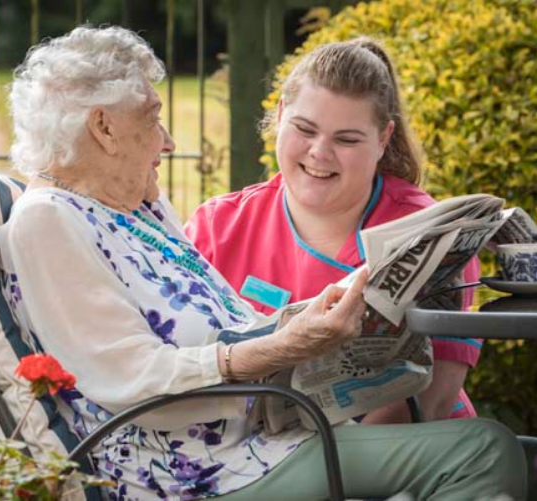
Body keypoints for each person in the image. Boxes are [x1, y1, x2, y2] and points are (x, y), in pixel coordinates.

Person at [0, 26, 525, 500]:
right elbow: (135, 377)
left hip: (259, 437)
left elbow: (223, 330)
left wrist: (300, 327)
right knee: (487, 451)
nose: (169, 140)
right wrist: (285, 344)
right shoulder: (50, 219)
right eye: (153, 118)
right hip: (201, 466)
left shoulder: (138, 210)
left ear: (381, 139)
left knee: (483, 447)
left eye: (346, 138)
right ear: (104, 129)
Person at [186, 38, 481, 424]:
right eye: (305, 129)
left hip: (399, 461)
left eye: (346, 139)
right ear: (279, 115)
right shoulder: (216, 226)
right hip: (246, 461)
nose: (319, 152)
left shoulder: (433, 235)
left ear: (383, 138)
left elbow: (434, 400)